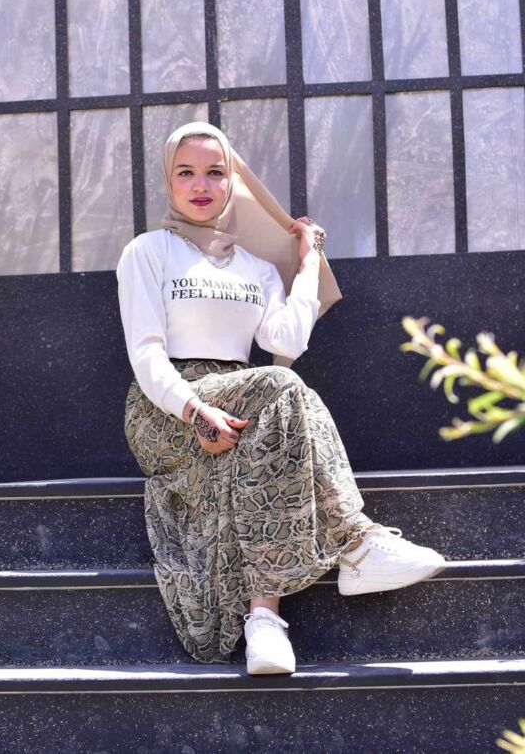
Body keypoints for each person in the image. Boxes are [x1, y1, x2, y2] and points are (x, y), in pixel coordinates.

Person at [116, 121, 446, 675]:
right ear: (168, 182)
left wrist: (308, 260)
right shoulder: (147, 252)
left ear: (232, 182)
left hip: (245, 401)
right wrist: (193, 410)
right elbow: (146, 354)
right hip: (167, 406)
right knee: (283, 387)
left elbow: (287, 342)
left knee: (278, 404)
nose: (201, 185)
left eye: (215, 172)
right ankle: (357, 544)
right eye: (186, 173)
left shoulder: (258, 268)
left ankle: (265, 622)